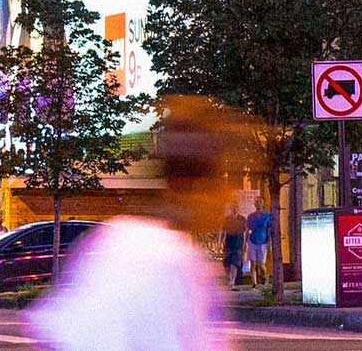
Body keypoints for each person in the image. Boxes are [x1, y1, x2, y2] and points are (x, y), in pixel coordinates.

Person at [26, 96, 254, 351]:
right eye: (224, 179)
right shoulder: (169, 261)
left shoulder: (118, 242)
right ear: (201, 186)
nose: (228, 195)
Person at [245, 199, 271, 287]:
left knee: (261, 264)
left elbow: (269, 230)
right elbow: (247, 229)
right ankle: (254, 283)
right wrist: (245, 242)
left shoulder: (267, 216)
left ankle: (265, 276)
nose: (258, 204)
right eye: (256, 203)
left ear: (263, 204)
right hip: (252, 241)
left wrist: (269, 243)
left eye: (260, 202)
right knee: (253, 263)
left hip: (263, 242)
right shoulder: (251, 216)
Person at [221, 206, 247, 288]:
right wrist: (221, 241)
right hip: (228, 244)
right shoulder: (227, 219)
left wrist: (245, 244)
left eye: (236, 208)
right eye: (233, 208)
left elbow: (246, 231)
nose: (234, 209)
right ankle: (229, 279)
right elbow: (223, 231)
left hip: (238, 244)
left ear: (238, 209)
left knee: (234, 264)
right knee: (227, 264)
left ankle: (232, 282)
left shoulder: (242, 219)